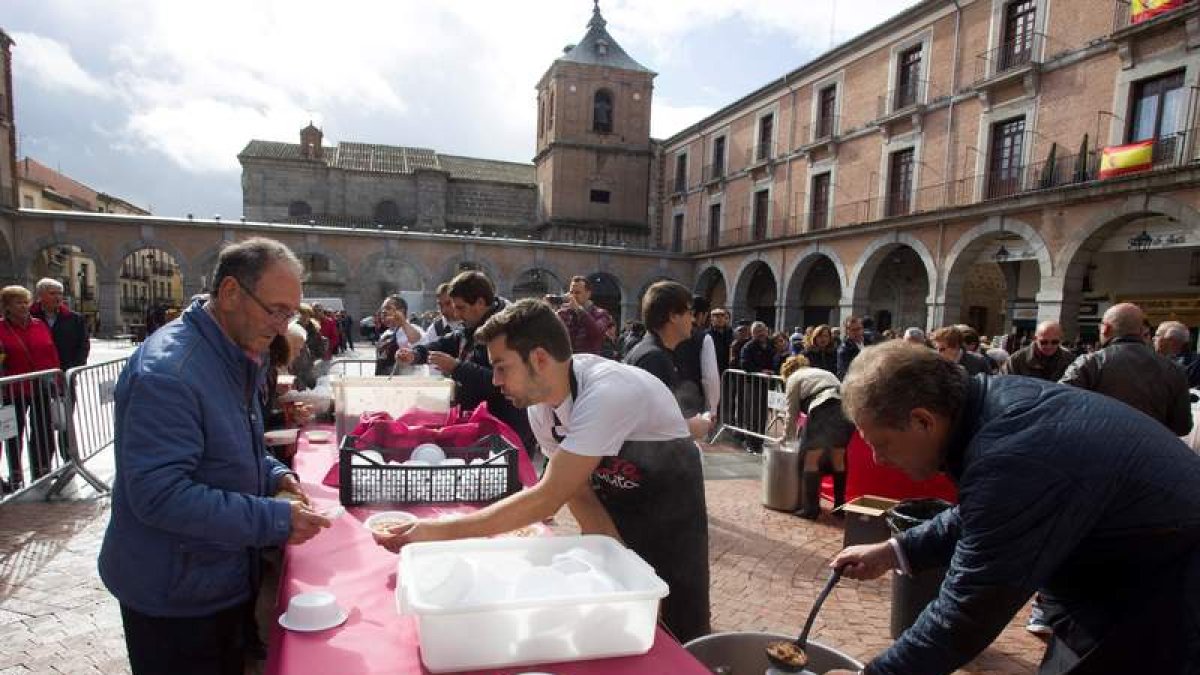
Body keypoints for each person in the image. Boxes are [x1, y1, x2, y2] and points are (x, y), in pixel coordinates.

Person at [825, 341, 1200, 675]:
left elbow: (967, 611)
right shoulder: (992, 408)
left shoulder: (1012, 454)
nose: (877, 460)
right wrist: (895, 551)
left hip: (1164, 610)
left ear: (923, 420)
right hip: (1125, 592)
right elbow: (983, 515)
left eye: (883, 444)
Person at [374, 299, 711, 642]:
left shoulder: (607, 392)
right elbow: (575, 492)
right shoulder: (542, 408)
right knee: (622, 620)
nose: (495, 380)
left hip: (671, 512)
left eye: (502, 367)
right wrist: (619, 563)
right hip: (616, 501)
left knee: (680, 630)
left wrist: (434, 532)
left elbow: (546, 500)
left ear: (538, 358)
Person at [98, 238, 331, 675]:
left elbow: (232, 449)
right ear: (229, 293)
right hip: (174, 595)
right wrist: (274, 520)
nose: (283, 327)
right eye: (275, 310)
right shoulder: (169, 373)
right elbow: (161, 495)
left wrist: (276, 475)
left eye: (291, 314)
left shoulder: (235, 354)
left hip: (215, 575)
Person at [399, 271, 535, 457]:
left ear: (480, 303)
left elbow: (503, 381)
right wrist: (416, 354)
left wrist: (457, 368)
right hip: (479, 425)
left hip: (505, 427)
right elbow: (446, 343)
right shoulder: (471, 326)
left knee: (506, 481)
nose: (456, 314)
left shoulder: (508, 331)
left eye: (461, 308)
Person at [1060, 303, 1192, 436]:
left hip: (1096, 445)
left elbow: (1060, 406)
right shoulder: (1173, 369)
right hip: (1150, 449)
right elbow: (1182, 427)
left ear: (1105, 328)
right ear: (1141, 331)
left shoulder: (1090, 363)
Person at [624, 282, 714, 436]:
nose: (692, 320)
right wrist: (693, 427)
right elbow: (651, 424)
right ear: (673, 315)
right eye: (689, 313)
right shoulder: (653, 358)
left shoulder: (656, 353)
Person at [0, 286, 60, 492]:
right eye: (18, 302)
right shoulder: (1, 329)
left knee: (43, 430)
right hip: (12, 390)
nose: (24, 306)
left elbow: (51, 353)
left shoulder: (39, 325)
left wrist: (57, 380)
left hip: (40, 387)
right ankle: (15, 473)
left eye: (26, 302)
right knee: (13, 434)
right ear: (7, 307)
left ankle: (42, 469)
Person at [780, 355, 853, 519]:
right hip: (847, 410)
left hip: (823, 408)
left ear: (787, 372)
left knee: (811, 459)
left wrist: (787, 439)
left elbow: (791, 414)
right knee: (838, 458)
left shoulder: (793, 378)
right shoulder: (824, 372)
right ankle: (840, 507)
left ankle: (811, 509)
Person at [671, 296, 720, 419]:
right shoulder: (703, 338)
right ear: (702, 315)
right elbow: (710, 377)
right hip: (692, 401)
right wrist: (712, 409)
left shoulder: (668, 333)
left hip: (668, 398)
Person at [30, 278, 90, 370]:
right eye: (52, 293)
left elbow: (83, 345)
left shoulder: (75, 318)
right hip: (36, 372)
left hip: (65, 371)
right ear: (40, 295)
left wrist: (76, 367)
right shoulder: (29, 316)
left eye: (60, 293)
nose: (57, 297)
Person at [553, 275, 613, 355]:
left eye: (577, 293)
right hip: (568, 362)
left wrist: (579, 310)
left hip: (589, 363)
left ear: (588, 294)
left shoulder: (601, 314)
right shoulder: (565, 312)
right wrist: (550, 311)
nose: (573, 296)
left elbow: (596, 333)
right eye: (571, 292)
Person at [1002, 320, 1074, 382]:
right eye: (1044, 342)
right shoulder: (1016, 360)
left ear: (1060, 340)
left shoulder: (1070, 360)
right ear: (1035, 339)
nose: (1049, 346)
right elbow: (1004, 385)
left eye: (1054, 342)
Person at [374, 295, 423, 375]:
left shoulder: (412, 329)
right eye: (382, 309)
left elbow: (417, 341)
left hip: (403, 383)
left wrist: (403, 322)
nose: (383, 312)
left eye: (388, 308)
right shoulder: (385, 334)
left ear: (401, 311)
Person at [1154, 320, 1200, 388]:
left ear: (1171, 340)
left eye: (1157, 335)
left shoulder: (1195, 364)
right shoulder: (1153, 360)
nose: (1153, 338)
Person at [836, 316, 865, 380]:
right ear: (847, 331)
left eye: (859, 328)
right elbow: (843, 372)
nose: (857, 332)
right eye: (853, 330)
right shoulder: (844, 349)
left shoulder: (869, 342)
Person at [707, 307, 734, 375]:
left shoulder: (730, 333)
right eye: (717, 316)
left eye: (722, 316)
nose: (720, 319)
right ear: (711, 319)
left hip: (728, 369)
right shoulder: (707, 334)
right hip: (712, 367)